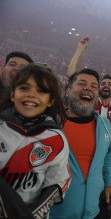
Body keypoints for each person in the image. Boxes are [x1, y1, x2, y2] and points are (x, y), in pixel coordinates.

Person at [0, 64, 71, 218]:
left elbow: (56, 184)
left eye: (41, 91)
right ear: (12, 94)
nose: (31, 95)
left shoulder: (56, 139)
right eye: (24, 88)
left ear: (51, 100)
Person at [50, 68, 111, 218]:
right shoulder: (51, 126)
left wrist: (109, 182)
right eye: (82, 84)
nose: (88, 88)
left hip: (93, 213)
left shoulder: (104, 124)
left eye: (94, 86)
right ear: (67, 91)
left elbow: (108, 154)